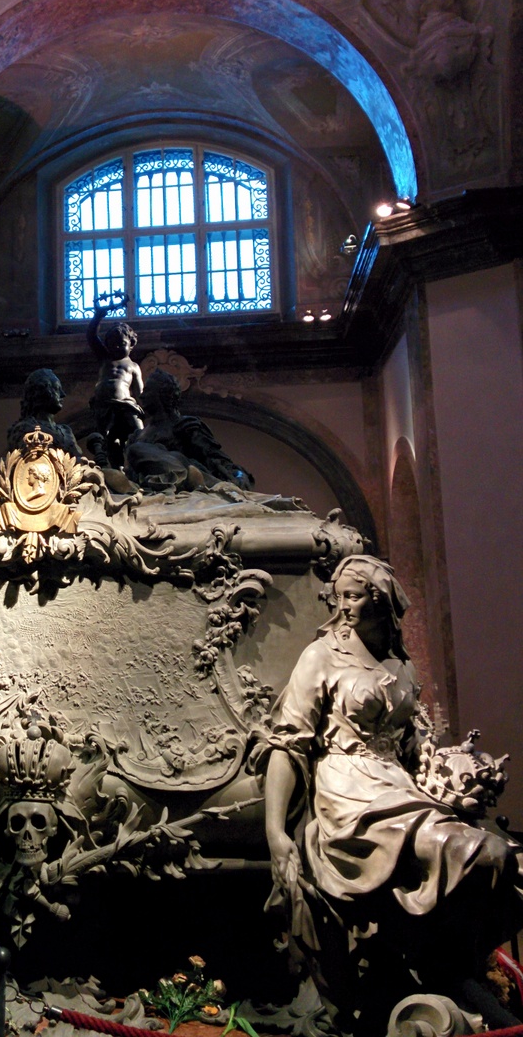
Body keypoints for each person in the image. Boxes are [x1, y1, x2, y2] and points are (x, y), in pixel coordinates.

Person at [257, 555, 523, 1032]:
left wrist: (458, 776)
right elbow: (287, 744)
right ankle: (439, 970)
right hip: (349, 793)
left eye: (354, 597)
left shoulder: (402, 666)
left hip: (399, 786)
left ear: (380, 602)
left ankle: (446, 964)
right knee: (464, 851)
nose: (343, 606)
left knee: (497, 858)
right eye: (339, 597)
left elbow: (416, 749)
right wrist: (276, 831)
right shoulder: (321, 656)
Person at [124, 368, 254, 491]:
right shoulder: (137, 435)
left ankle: (196, 480)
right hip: (148, 483)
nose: (142, 396)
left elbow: (216, 460)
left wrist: (239, 477)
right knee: (137, 451)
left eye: (147, 391)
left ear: (162, 394)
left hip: (188, 470)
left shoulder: (185, 425)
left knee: (139, 449)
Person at [86, 292, 144, 469]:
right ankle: (115, 469)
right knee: (109, 440)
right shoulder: (105, 358)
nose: (116, 347)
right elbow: (91, 336)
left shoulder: (133, 366)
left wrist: (146, 405)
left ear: (131, 344)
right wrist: (98, 315)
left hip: (126, 404)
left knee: (139, 433)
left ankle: (142, 460)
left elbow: (140, 391)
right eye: (112, 344)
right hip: (104, 404)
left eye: (121, 343)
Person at [6, 368, 82, 459]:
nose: (63, 394)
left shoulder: (66, 431)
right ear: (42, 392)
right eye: (57, 388)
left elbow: (78, 460)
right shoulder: (24, 429)